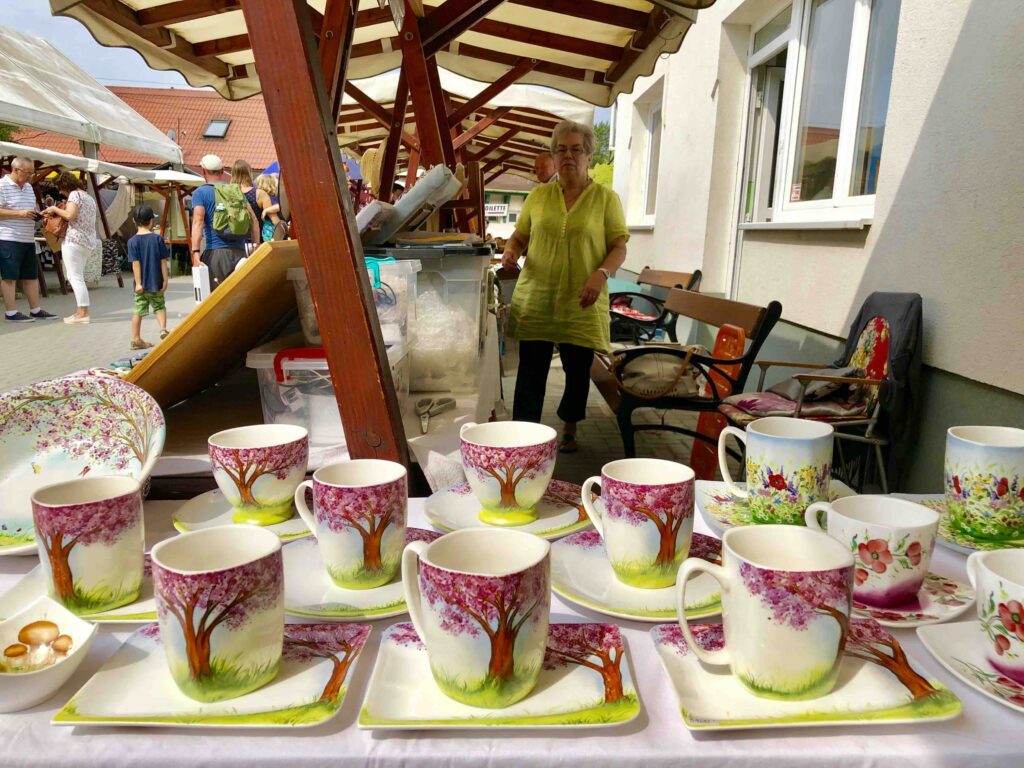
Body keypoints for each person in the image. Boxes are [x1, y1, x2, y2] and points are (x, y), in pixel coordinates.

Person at [502, 121, 628, 453]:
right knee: (531, 370)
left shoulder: (605, 199)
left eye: (575, 149)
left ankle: (569, 426)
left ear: (589, 155)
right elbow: (520, 235)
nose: (567, 155)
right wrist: (512, 250)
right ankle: (523, 437)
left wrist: (600, 275)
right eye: (560, 149)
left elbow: (618, 246)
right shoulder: (538, 196)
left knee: (576, 369)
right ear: (553, 156)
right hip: (538, 296)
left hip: (582, 298)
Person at [190, 154, 259, 290]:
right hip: (240, 253)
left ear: (203, 171)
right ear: (222, 171)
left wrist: (195, 252)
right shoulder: (236, 191)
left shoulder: (200, 193)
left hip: (215, 254)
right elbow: (254, 220)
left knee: (216, 300)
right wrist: (256, 245)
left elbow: (197, 223)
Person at [0, 157, 57, 322]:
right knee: (9, 276)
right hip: (8, 237)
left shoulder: (28, 188)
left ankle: (36, 309)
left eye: (32, 173)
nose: (30, 176)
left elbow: (29, 209)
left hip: (27, 237)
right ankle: (11, 312)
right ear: (16, 170)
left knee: (31, 276)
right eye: (28, 173)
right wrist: (20, 213)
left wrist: (39, 214)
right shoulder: (2, 185)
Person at [42, 171, 99, 324]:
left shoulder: (74, 195)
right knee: (78, 277)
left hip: (74, 240)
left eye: (60, 188)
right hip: (88, 241)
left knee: (74, 277)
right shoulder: (88, 197)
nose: (60, 192)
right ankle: (82, 311)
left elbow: (70, 215)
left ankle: (82, 313)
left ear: (65, 185)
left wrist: (54, 209)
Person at [127, 204, 169, 349]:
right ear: (151, 221)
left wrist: (138, 283)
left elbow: (135, 264)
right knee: (159, 306)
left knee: (138, 311)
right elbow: (163, 262)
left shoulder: (132, 242)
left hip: (141, 286)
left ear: (134, 221)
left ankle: (135, 339)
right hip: (156, 282)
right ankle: (163, 329)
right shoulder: (158, 239)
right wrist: (165, 279)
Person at [254, 173, 280, 242]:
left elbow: (279, 206)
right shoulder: (270, 198)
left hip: (268, 228)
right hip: (271, 228)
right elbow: (279, 206)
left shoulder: (269, 198)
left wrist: (266, 210)